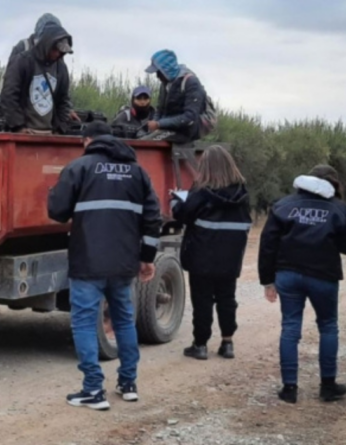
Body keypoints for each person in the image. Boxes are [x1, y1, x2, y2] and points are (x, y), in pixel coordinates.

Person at [48, 122, 162, 410]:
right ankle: (128, 383)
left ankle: (92, 390)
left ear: (87, 140)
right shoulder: (138, 172)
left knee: (85, 321)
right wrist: (147, 257)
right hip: (124, 263)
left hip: (88, 261)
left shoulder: (79, 167)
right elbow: (153, 218)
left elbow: (57, 212)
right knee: (124, 320)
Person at [258, 165, 346, 404]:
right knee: (328, 326)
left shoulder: (283, 205)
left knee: (290, 328)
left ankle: (289, 389)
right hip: (323, 276)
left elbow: (268, 244)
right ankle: (327, 386)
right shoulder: (338, 209)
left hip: (288, 275)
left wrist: (267, 280)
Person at [170, 146, 251, 360]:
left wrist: (176, 201)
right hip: (230, 256)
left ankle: (200, 345)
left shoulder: (200, 192)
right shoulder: (242, 193)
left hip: (202, 255)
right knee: (227, 298)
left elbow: (182, 215)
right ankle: (227, 343)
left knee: (202, 300)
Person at [1, 21, 74, 135]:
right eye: (55, 49)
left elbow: (64, 101)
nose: (57, 54)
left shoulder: (61, 68)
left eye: (61, 52)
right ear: (47, 44)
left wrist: (60, 129)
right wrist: (18, 127)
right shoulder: (22, 61)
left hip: (50, 135)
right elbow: (9, 95)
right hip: (24, 133)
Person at [141, 49, 207, 144]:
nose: (157, 76)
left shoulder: (191, 82)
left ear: (165, 69)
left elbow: (189, 118)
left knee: (146, 143)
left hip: (186, 131)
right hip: (168, 129)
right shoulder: (165, 84)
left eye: (158, 72)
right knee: (142, 139)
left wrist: (159, 124)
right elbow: (160, 109)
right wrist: (154, 124)